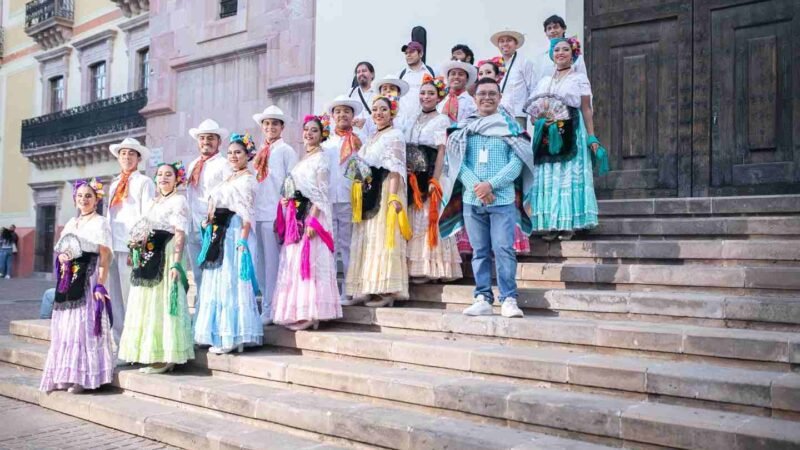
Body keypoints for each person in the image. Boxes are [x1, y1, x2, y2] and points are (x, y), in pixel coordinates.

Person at [438, 78, 534, 319]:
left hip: (502, 200)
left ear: (500, 97)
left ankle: (509, 298)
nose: (487, 98)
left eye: (492, 93)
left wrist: (490, 185)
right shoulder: (464, 129)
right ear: (474, 98)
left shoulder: (511, 128)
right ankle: (482, 297)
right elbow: (457, 163)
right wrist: (478, 188)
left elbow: (517, 164)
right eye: (482, 93)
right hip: (472, 200)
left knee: (503, 249)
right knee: (479, 251)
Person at [118, 162, 194, 374]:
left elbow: (180, 233)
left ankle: (166, 356)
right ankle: (149, 352)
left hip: (167, 253)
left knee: (163, 302)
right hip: (148, 256)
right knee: (146, 303)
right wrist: (136, 247)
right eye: (160, 174)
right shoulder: (153, 202)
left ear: (177, 179)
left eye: (168, 174)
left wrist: (177, 263)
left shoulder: (178, 201)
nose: (163, 178)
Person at [40, 179, 114, 393]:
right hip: (68, 278)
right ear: (75, 199)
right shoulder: (72, 223)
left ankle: (82, 378)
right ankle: (65, 374)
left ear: (96, 200)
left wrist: (100, 285)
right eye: (80, 196)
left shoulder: (100, 223)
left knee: (82, 327)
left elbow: (105, 256)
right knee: (66, 328)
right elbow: (63, 249)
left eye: (88, 196)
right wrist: (62, 256)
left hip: (88, 277)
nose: (84, 199)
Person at [527, 37, 603, 241]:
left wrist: (592, 136)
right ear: (552, 55)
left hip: (572, 129)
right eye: (557, 50)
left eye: (565, 49)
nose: (560, 53)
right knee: (549, 175)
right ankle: (552, 224)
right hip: (548, 131)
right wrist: (538, 118)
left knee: (568, 175)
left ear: (573, 54)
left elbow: (586, 108)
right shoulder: (544, 81)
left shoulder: (579, 79)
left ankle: (569, 224)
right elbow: (535, 111)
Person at [193, 133, 262, 354]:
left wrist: (243, 239)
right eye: (230, 153)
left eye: (238, 152)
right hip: (220, 232)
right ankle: (220, 333)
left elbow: (248, 214)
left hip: (234, 231)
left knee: (231, 281)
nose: (233, 156)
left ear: (247, 155)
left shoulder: (248, 180)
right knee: (218, 281)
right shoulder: (229, 178)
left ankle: (233, 336)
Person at [272, 115, 342, 330]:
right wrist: (288, 200)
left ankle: (313, 312)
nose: (309, 133)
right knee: (295, 262)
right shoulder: (303, 158)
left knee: (310, 261)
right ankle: (299, 310)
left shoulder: (321, 158)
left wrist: (313, 220)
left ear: (322, 135)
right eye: (307, 130)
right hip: (296, 215)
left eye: (314, 130)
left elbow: (321, 193)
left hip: (311, 215)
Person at [345, 95, 410, 306]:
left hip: (386, 189)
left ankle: (386, 290)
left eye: (383, 109)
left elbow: (396, 168)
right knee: (367, 239)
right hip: (369, 191)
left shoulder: (395, 135)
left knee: (382, 237)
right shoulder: (372, 137)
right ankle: (365, 287)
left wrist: (393, 197)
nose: (379, 113)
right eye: (375, 109)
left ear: (392, 113)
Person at [406, 75, 462, 282]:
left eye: (431, 93)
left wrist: (435, 179)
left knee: (428, 217)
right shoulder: (413, 118)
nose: (426, 97)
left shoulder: (442, 120)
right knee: (414, 218)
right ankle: (414, 267)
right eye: (423, 93)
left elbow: (441, 150)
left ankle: (432, 268)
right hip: (413, 174)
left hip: (430, 171)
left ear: (439, 97)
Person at [250, 105, 298, 324]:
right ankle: (266, 304)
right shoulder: (259, 152)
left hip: (275, 213)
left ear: (282, 127)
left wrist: (287, 212)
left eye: (275, 124)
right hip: (257, 213)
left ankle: (271, 308)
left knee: (272, 263)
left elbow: (292, 182)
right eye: (267, 123)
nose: (270, 127)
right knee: (260, 262)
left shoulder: (286, 151)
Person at [106, 137, 155, 341]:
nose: (127, 157)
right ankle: (119, 339)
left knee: (131, 296)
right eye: (123, 153)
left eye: (131, 154)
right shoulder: (114, 184)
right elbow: (109, 214)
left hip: (131, 247)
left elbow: (147, 216)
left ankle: (134, 341)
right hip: (112, 245)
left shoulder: (144, 182)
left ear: (138, 158)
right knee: (115, 296)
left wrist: (139, 245)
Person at [322, 95, 366, 305]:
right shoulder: (326, 143)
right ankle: (329, 291)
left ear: (352, 115)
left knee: (348, 246)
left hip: (350, 199)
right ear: (332, 116)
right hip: (329, 199)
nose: (342, 115)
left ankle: (348, 290)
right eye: (338, 111)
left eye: (346, 111)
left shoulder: (359, 141)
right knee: (329, 247)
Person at [186, 119, 231, 289]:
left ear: (219, 141)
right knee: (197, 274)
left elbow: (228, 196)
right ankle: (200, 305)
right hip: (193, 225)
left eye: (211, 138)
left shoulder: (224, 164)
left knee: (214, 271)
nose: (206, 142)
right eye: (202, 138)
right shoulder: (193, 165)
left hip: (212, 226)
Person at [490, 29, 536, 129]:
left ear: (516, 44)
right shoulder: (495, 65)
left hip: (517, 114)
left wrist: (534, 113)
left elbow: (532, 88)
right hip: (497, 114)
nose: (505, 44)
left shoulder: (524, 62)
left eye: (509, 40)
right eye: (502, 41)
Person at [533, 15, 586, 86]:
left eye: (556, 27)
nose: (552, 31)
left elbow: (583, 80)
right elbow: (536, 82)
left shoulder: (574, 53)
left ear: (564, 29)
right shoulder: (541, 57)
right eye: (549, 28)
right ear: (546, 33)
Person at [398, 42, 435, 136]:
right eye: (406, 53)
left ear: (421, 54)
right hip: (404, 125)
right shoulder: (400, 75)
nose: (408, 55)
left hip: (426, 123)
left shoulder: (431, 72)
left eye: (411, 52)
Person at [438, 60, 478, 124]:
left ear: (467, 79)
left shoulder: (472, 103)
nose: (456, 77)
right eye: (453, 74)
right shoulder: (441, 100)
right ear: (448, 78)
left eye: (461, 74)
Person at [348, 61, 377, 134]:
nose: (361, 74)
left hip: (374, 134)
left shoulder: (378, 92)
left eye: (364, 71)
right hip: (354, 135)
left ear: (372, 74)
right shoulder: (351, 93)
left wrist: (366, 122)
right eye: (358, 72)